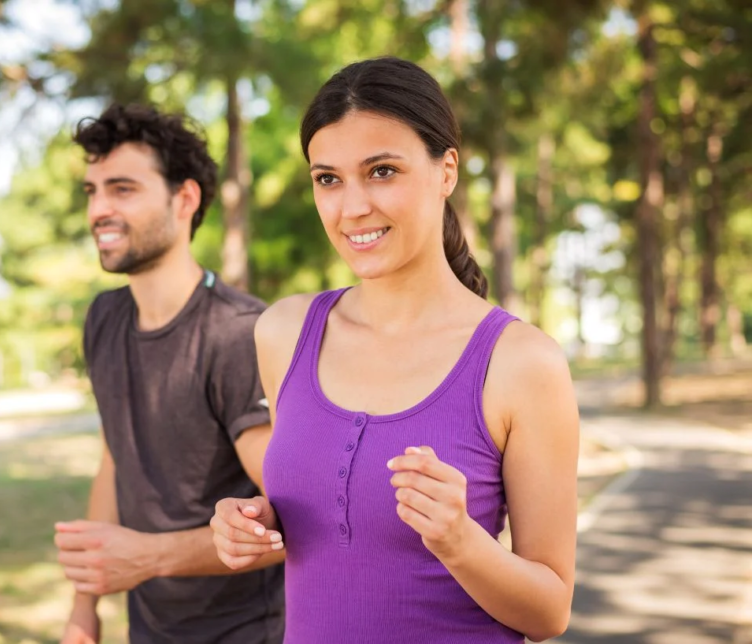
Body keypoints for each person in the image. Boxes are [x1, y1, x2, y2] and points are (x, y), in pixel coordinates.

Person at [210, 57, 579, 643]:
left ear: (446, 171)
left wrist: (460, 542)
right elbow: (333, 514)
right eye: (328, 179)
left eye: (382, 171)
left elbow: (550, 612)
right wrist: (255, 523)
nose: (352, 206)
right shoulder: (283, 332)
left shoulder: (520, 363)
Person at [54, 103, 285, 644]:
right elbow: (116, 459)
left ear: (184, 199)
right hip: (150, 628)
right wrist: (84, 610)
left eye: (123, 189)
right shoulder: (103, 318)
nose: (99, 209)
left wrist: (149, 557)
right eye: (92, 191)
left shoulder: (239, 333)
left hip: (250, 632)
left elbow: (292, 521)